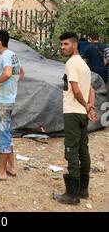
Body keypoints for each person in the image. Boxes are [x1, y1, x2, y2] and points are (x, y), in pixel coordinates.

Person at [53, 32, 97, 205]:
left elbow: (76, 89)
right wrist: (90, 107)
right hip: (82, 114)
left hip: (73, 112)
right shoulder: (84, 65)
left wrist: (87, 106)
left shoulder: (72, 63)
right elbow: (91, 89)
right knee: (83, 149)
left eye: (65, 44)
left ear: (74, 44)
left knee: (71, 150)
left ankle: (72, 195)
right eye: (62, 44)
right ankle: (83, 190)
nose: (63, 47)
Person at [0, 30, 24, 182]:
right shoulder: (13, 55)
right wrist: (11, 86)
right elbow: (21, 72)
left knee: (2, 135)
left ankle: (1, 172)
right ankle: (11, 167)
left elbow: (7, 73)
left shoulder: (5, 56)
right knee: (6, 132)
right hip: (9, 99)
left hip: (3, 101)